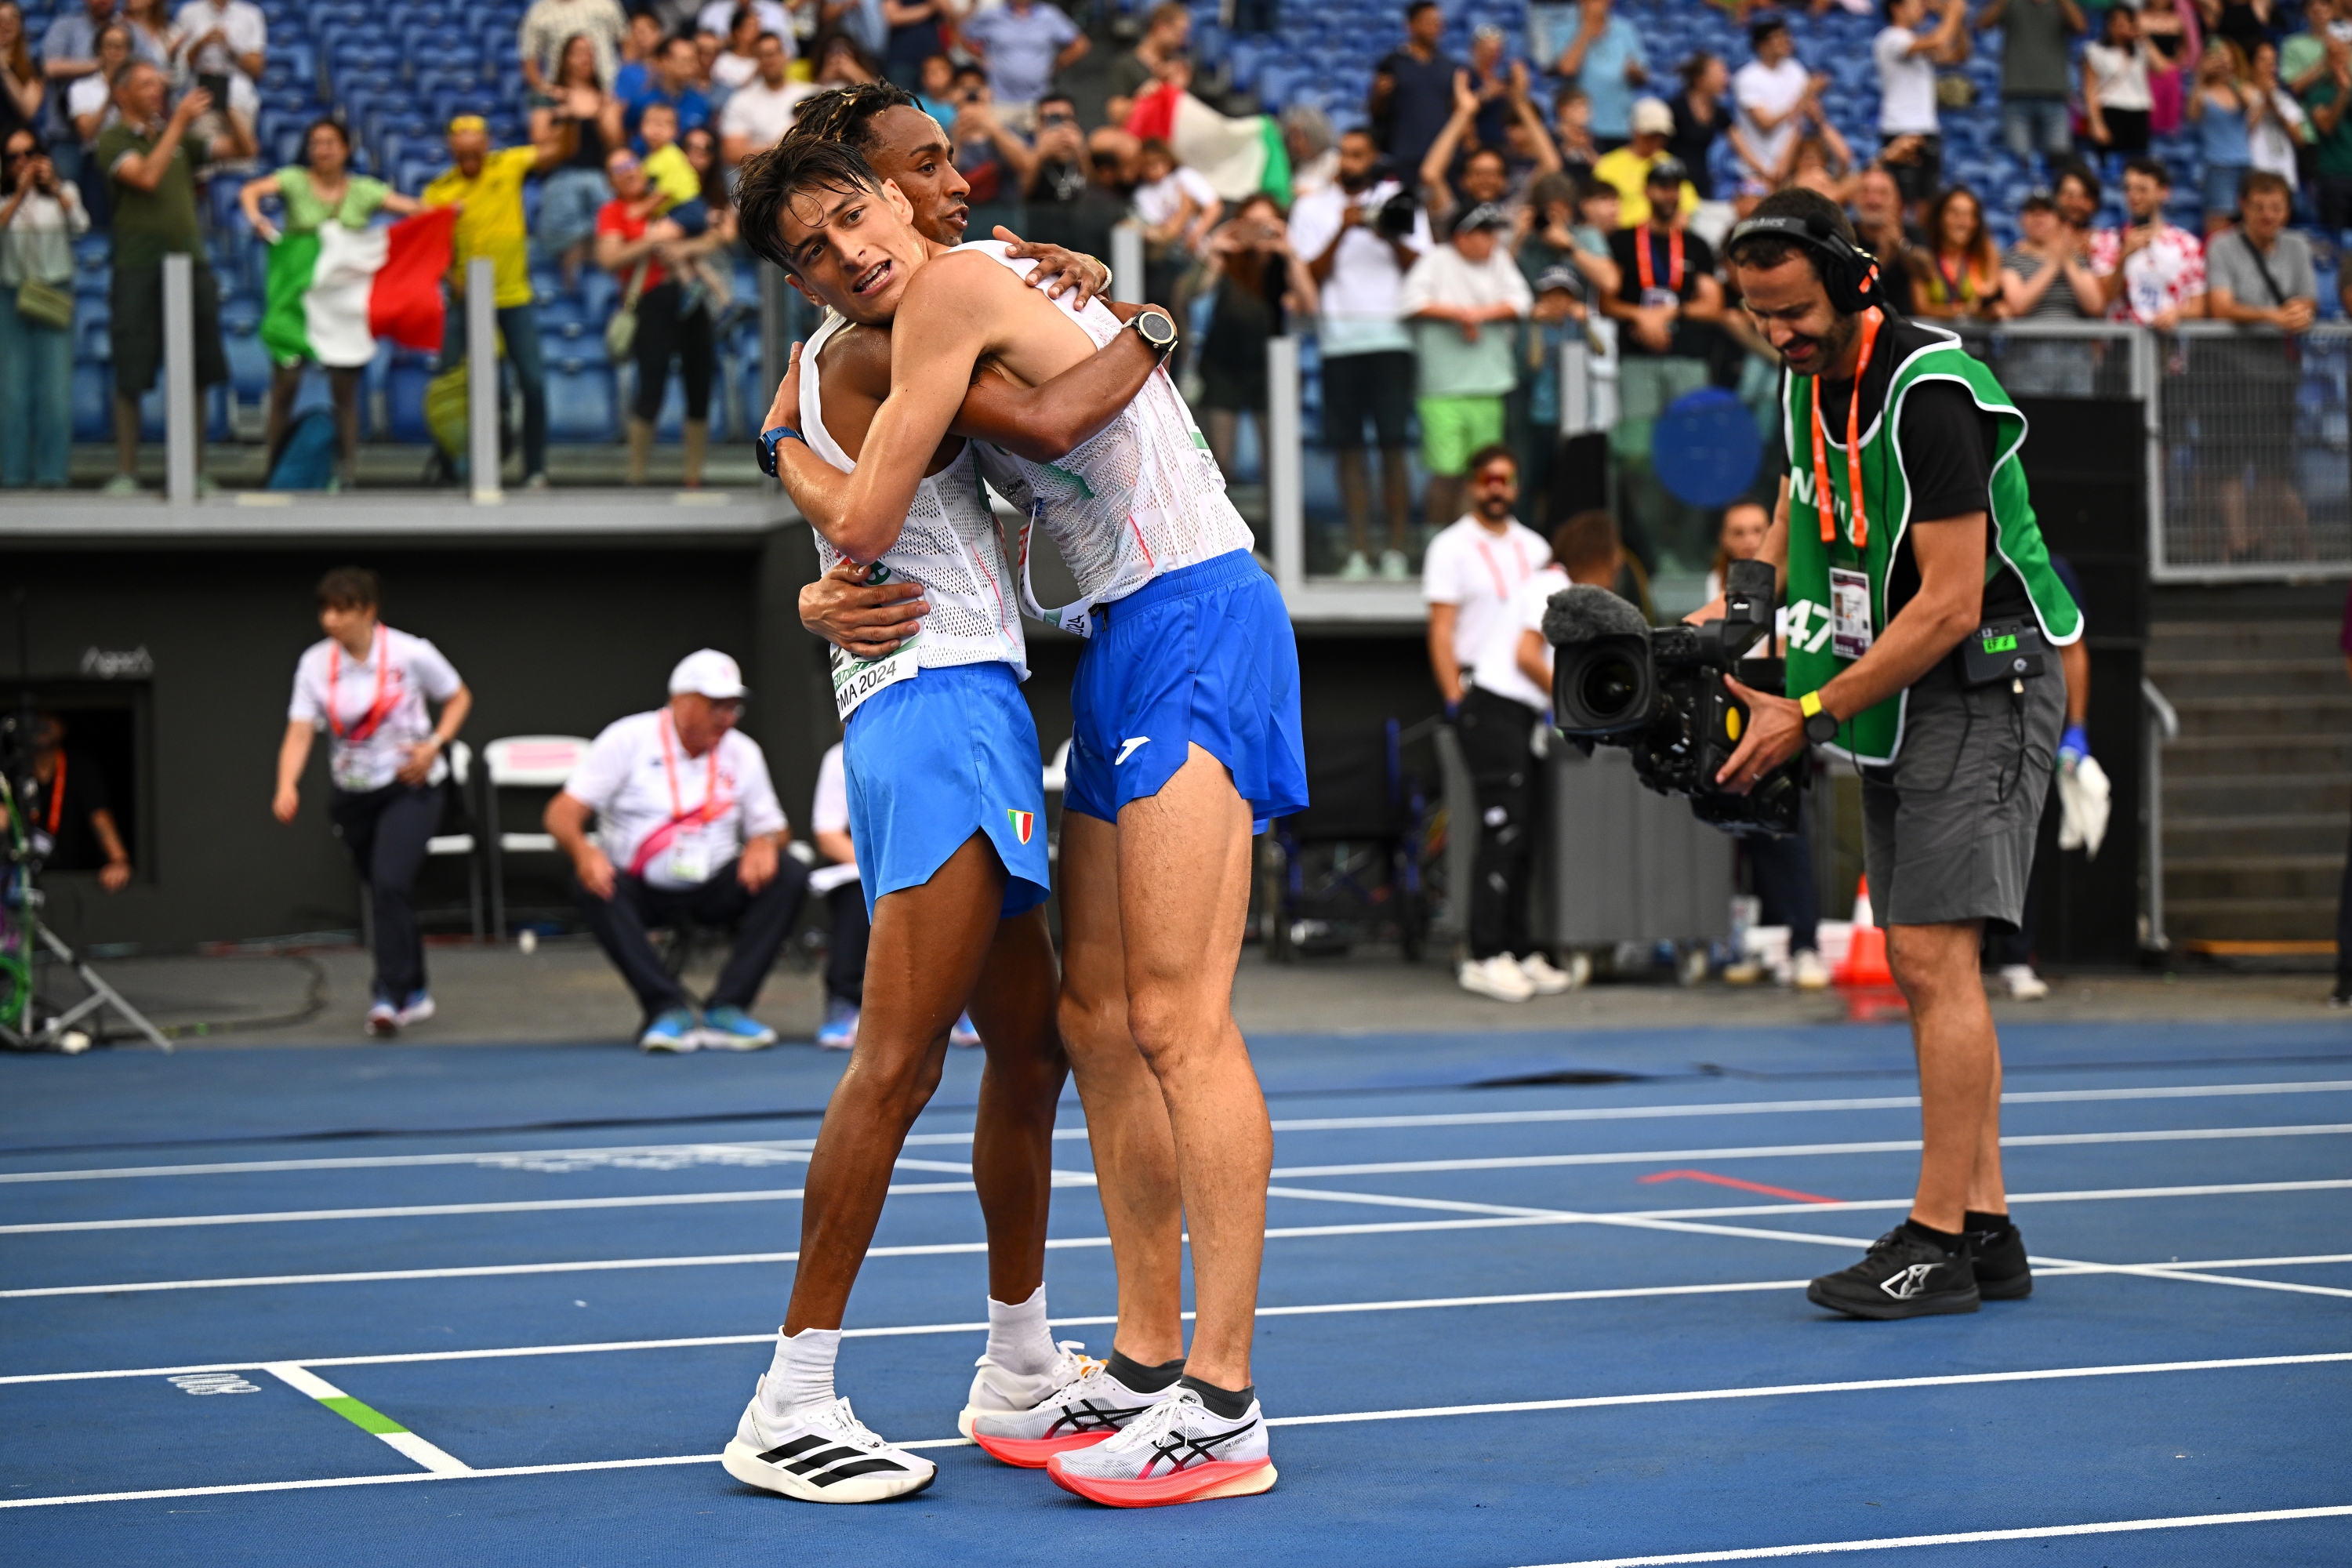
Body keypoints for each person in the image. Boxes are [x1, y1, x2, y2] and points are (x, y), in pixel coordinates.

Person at [740, 131, 1305, 1508]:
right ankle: (1142, 1356)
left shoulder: (951, 289)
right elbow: (960, 440)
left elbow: (958, 464)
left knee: (1172, 1020)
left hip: (1190, 614)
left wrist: (805, 506)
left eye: (869, 210)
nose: (942, 187)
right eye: (817, 245)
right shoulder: (926, 308)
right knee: (1093, 1024)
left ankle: (1222, 1405)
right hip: (1107, 638)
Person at [1715, 188, 2082, 1319]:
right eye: (1759, 314)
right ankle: (1986, 1228)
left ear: (1853, 279)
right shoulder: (1801, 381)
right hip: (1906, 692)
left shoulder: (1925, 391)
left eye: (1795, 309)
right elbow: (1795, 505)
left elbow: (1955, 603)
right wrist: (1730, 622)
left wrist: (1808, 709)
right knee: (1938, 971)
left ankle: (1933, 1241)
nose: (1781, 333)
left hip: (1982, 674)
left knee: (1929, 959)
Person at [547, 650, 807, 1052]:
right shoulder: (628, 738)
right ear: (681, 702)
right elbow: (561, 814)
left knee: (789, 873)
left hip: (715, 883)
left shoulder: (743, 751)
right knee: (591, 886)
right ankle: (666, 1009)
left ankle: (728, 1008)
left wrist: (764, 841)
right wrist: (584, 852)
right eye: (716, 706)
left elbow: (775, 827)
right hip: (638, 887)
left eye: (733, 707)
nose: (728, 717)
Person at [274, 567, 474, 1038]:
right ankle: (417, 989)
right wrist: (287, 784)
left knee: (389, 883)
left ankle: (388, 996)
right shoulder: (315, 664)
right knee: (388, 892)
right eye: (324, 610)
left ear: (368, 611)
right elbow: (301, 730)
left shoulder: (411, 653)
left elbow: (459, 696)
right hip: (353, 795)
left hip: (411, 785)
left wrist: (435, 745)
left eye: (341, 610)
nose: (330, 620)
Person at [1458, 503, 1619, 1000]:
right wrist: (1571, 701)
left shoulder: (1549, 585)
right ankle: (1484, 956)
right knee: (1502, 834)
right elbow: (1526, 655)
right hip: (1495, 715)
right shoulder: (1552, 588)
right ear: (1599, 557)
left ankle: (1519, 949)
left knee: (1523, 836)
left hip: (1516, 719)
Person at [241, 119, 422, 490]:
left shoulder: (364, 190)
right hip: (298, 302)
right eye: (316, 143)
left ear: (345, 148)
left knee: (345, 390)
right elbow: (252, 191)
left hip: (342, 306)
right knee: (285, 385)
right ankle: (272, 466)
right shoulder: (293, 180)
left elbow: (410, 208)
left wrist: (443, 211)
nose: (323, 149)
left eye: (330, 142)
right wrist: (257, 219)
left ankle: (347, 470)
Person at [99, 63, 242, 495]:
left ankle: (194, 469)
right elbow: (145, 177)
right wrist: (178, 122)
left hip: (190, 263)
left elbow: (241, 147)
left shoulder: (178, 137)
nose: (157, 90)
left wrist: (228, 108)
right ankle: (128, 470)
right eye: (146, 83)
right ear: (122, 94)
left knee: (197, 367)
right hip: (137, 265)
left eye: (159, 84)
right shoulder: (112, 141)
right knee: (132, 368)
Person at [1292, 125, 1427, 580]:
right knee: (1348, 450)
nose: (1352, 162)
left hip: (1393, 339)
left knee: (1392, 447)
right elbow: (1306, 272)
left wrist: (1384, 231)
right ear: (1336, 160)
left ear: (1373, 158)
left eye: (1360, 154)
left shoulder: (1400, 200)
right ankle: (1356, 550)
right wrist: (1343, 230)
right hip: (1338, 342)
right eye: (1345, 155)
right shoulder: (1313, 207)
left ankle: (1394, 551)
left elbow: (1423, 266)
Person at [1706, 500, 1829, 990]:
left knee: (1786, 831)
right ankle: (1750, 943)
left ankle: (1805, 946)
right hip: (1727, 723)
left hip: (1782, 719)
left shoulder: (1795, 588)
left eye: (1759, 529)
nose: (1750, 540)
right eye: (1738, 531)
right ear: (1724, 539)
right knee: (1734, 839)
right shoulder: (1713, 590)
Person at [423, 113, 573, 490]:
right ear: (452, 150)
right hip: (466, 302)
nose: (471, 158)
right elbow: (432, 250)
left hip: (514, 297)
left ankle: (534, 468)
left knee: (533, 383)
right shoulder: (439, 191)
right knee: (449, 381)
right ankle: (451, 463)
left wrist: (571, 119)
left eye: (477, 149)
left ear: (487, 145)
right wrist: (452, 280)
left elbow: (564, 149)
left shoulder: (507, 165)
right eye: (463, 152)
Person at [2201, 169, 2314, 562]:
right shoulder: (2222, 246)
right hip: (2227, 367)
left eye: (2277, 207)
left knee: (2272, 464)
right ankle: (2237, 544)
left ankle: (2263, 547)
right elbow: (2221, 306)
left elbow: (2307, 301)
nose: (2269, 214)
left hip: (2278, 371)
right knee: (2229, 461)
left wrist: (2298, 314)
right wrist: (2274, 317)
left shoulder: (2298, 246)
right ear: (2243, 207)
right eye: (2260, 206)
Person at [1402, 201, 1533, 540]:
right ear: (1462, 236)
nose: (1492, 240)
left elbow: (1522, 302)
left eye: (1494, 233)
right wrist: (1461, 315)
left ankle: (1470, 543)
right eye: (1484, 233)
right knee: (1445, 473)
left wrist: (1478, 316)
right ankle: (1435, 540)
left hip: (1489, 385)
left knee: (1481, 475)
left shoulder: (1500, 261)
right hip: (1441, 388)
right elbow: (1412, 303)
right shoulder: (1435, 261)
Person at [597, 146, 719, 487]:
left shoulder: (670, 199)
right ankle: (636, 474)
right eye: (617, 168)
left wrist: (682, 248)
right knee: (651, 384)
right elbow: (609, 259)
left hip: (690, 299)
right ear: (611, 181)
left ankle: (694, 474)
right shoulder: (614, 211)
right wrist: (653, 240)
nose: (628, 171)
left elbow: (713, 239)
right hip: (652, 301)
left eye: (631, 163)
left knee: (700, 382)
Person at [1424, 440, 1551, 720]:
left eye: (1506, 480)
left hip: (1533, 694)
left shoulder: (1537, 548)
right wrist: (1454, 697)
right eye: (1487, 479)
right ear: (1471, 485)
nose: (1497, 488)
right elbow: (1441, 630)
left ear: (1517, 486)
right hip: (1479, 691)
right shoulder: (1448, 547)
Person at [1196, 194, 1317, 482]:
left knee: (1277, 459)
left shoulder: (1282, 263)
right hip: (1222, 362)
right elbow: (1193, 294)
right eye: (1250, 223)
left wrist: (1288, 251)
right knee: (1219, 460)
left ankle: (1278, 524)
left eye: (1265, 224)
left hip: (1272, 366)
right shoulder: (1228, 259)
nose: (1257, 231)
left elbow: (1310, 304)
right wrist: (1214, 252)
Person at [0, 129, 84, 489]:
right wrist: (19, 196)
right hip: (11, 293)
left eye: (30, 153)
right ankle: (13, 475)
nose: (23, 162)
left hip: (54, 291)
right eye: (13, 157)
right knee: (12, 391)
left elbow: (81, 226)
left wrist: (57, 189)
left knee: (54, 391)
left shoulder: (65, 193)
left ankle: (53, 476)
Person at [1419, 67, 1559, 237]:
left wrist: (1521, 105)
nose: (1486, 179)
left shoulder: (1512, 212)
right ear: (1464, 180)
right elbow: (1430, 174)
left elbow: (1551, 165)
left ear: (1504, 181)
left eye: (1494, 173)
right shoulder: (1454, 215)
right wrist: (1463, 113)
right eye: (1478, 173)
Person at [12, 713, 132, 888]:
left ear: (62, 727)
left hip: (71, 875)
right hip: (18, 879)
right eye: (37, 719)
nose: (42, 726)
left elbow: (100, 817)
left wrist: (118, 860)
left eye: (50, 719)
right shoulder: (13, 769)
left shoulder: (80, 767)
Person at [1874, 0, 1969, 216]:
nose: (1921, 7)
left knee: (1928, 200)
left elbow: (1959, 55)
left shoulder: (1915, 43)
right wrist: (1953, 11)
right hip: (1900, 128)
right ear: (1897, 8)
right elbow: (1938, 40)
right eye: (1915, 3)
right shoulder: (1890, 38)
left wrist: (1959, 21)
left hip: (1927, 129)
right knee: (1899, 201)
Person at [2090, 156, 2205, 327]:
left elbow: (2199, 307)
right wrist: (2123, 257)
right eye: (2128, 189)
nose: (2134, 196)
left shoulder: (2188, 245)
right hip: (2121, 346)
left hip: (2168, 345)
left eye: (2142, 189)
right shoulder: (2107, 241)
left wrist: (2177, 313)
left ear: (2164, 193)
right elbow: (2104, 300)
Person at [806, 739, 866, 1049]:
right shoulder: (840, 756)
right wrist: (883, 869)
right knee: (858, 891)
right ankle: (843, 999)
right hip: (863, 867)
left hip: (933, 864)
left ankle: (960, 1001)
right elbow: (829, 836)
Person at [1021, 89, 1123, 262]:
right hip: (1040, 246)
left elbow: (1100, 191)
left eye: (1065, 119)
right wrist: (1039, 154)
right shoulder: (1027, 154)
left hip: (1086, 248)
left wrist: (1080, 153)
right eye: (1051, 119)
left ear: (1076, 121)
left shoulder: (1087, 153)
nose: (1059, 126)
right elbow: (1019, 194)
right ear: (1038, 124)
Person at [1977, 0, 2082, 164]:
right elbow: (1983, 23)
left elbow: (2081, 27)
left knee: (2060, 160)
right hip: (2016, 94)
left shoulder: (2060, 5)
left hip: (2054, 95)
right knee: (2018, 161)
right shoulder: (2013, 4)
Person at [957, 0, 1083, 131]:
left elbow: (1080, 44)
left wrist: (1056, 66)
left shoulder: (1049, 16)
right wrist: (980, 58)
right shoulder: (992, 15)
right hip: (1000, 99)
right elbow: (961, 34)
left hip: (1039, 99)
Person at [1372, 0, 1458, 179]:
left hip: (1442, 156)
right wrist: (1379, 95)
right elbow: (1376, 111)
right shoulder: (1393, 63)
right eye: (1429, 21)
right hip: (1404, 154)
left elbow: (1456, 108)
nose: (1435, 27)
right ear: (1411, 25)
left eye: (1438, 22)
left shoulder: (1449, 67)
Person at [1546, 0, 1649, 151]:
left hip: (1620, 125)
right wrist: (1587, 29)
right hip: (1582, 128)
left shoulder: (1625, 30)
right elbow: (1567, 69)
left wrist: (1634, 71)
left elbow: (1643, 75)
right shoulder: (1562, 30)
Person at [1731, 16, 1814, 201]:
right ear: (1762, 45)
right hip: (1755, 170)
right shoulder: (1747, 77)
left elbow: (1798, 124)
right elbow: (1765, 122)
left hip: (1789, 166)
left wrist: (1784, 162)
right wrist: (1800, 102)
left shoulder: (1796, 70)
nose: (1786, 41)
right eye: (1778, 37)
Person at [1592, 97, 1697, 227]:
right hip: (1622, 237)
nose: (1656, 140)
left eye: (1661, 135)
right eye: (1650, 134)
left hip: (1664, 236)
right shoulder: (1608, 165)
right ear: (1635, 131)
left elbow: (1687, 207)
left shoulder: (1672, 166)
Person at [717, 30, 808, 167]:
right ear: (756, 60)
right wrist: (784, 144)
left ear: (785, 55)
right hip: (762, 178)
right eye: (764, 55)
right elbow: (732, 153)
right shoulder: (741, 100)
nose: (770, 59)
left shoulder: (809, 94)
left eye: (774, 53)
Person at [1911, 183, 1999, 319]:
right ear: (1940, 217)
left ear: (1976, 222)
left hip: (1976, 339)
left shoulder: (1985, 252)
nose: (1962, 221)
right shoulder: (1923, 254)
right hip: (1935, 338)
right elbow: (1922, 308)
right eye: (1955, 213)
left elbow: (1991, 292)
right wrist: (1962, 311)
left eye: (1969, 214)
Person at [2190, 40, 2253, 230]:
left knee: (2249, 222)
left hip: (2245, 163)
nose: (2223, 62)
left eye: (2227, 57)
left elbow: (2250, 102)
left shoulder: (2241, 88)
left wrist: (2231, 78)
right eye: (2218, 57)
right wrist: (2200, 75)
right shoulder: (2204, 93)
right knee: (2218, 224)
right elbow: (2192, 115)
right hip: (2218, 166)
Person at [2084, 5, 2155, 163]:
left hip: (2138, 112)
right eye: (2116, 22)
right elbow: (2090, 89)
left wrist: (2143, 37)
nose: (2121, 26)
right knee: (2109, 163)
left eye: (2126, 22)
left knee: (2138, 163)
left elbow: (2161, 67)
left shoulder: (2141, 49)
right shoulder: (2096, 51)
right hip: (2111, 111)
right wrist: (2096, 123)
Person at [518, 0, 627, 100]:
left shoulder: (605, 4)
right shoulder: (539, 13)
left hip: (611, 90)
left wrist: (624, 84)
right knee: (539, 111)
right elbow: (529, 59)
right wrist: (549, 91)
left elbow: (627, 42)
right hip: (560, 93)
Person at [1849, 162, 1918, 315]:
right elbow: (1852, 289)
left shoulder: (1912, 233)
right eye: (1866, 192)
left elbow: (1930, 274)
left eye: (1882, 193)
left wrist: (1901, 245)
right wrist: (1884, 256)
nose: (1873, 200)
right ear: (1854, 197)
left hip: (1906, 323)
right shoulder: (1845, 236)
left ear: (1897, 200)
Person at [2244, 41, 2311, 195]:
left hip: (2286, 179)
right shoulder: (2243, 95)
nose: (2270, 67)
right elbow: (2242, 134)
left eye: (2273, 61)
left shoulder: (2285, 99)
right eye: (2263, 60)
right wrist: (2263, 103)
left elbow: (2299, 139)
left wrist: (2274, 105)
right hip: (2256, 178)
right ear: (2251, 66)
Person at [1107, 2, 1189, 128]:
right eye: (1179, 33)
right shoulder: (1126, 64)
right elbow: (1115, 114)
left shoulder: (1179, 67)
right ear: (1161, 27)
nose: (1183, 40)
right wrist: (1147, 97)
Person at [1668, 51, 1730, 201]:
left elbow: (1741, 144)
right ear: (1700, 79)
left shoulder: (1720, 112)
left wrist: (1764, 171)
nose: (1726, 79)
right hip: (1673, 180)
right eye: (1719, 74)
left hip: (1702, 179)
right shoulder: (1675, 108)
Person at [626, 33, 711, 141]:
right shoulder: (642, 102)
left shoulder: (700, 102)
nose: (691, 67)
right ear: (663, 61)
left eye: (693, 60)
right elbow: (628, 136)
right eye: (685, 60)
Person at [2307, 28, 2352, 231]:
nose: (2339, 61)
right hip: (2334, 176)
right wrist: (2343, 93)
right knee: (2335, 240)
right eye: (2333, 56)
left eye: (2343, 54)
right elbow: (2326, 126)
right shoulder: (2319, 92)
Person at [1, 3, 43, 134]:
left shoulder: (32, 66)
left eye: (12, 19)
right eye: (1, 19)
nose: (6, 24)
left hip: (13, 141)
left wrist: (4, 69)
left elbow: (28, 111)